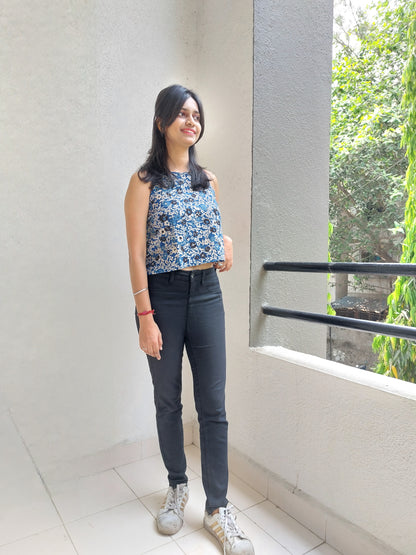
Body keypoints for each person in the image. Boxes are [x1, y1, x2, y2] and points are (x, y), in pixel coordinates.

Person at [124, 84, 254, 555]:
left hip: (206, 295)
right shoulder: (143, 181)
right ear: (162, 123)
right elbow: (137, 253)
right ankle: (177, 486)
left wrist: (228, 243)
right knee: (168, 399)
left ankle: (218, 508)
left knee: (214, 405)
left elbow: (212, 232)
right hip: (162, 296)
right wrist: (145, 316)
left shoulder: (208, 180)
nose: (191, 121)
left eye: (196, 114)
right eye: (181, 113)